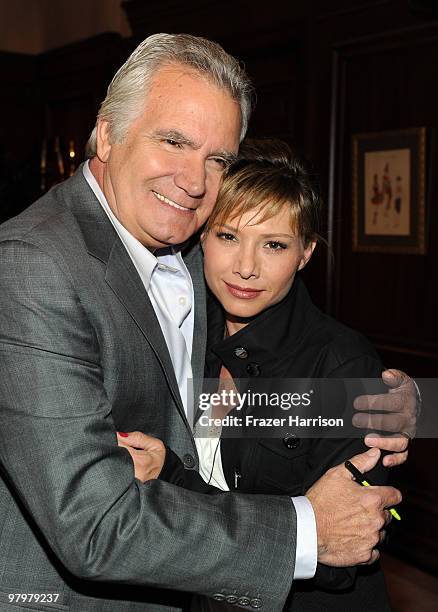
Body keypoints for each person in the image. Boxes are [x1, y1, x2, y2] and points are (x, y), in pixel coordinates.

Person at [0, 33, 413, 612]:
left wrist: (388, 397)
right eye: (173, 141)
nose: (195, 182)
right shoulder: (32, 263)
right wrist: (307, 530)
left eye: (216, 159)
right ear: (108, 132)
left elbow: (261, 387)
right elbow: (93, 525)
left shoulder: (195, 251)